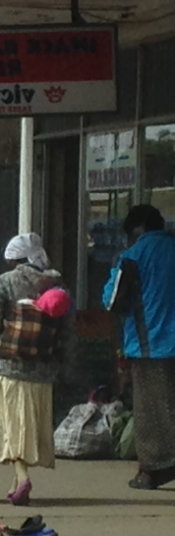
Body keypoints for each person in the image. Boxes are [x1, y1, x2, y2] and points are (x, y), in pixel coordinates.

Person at [0, 233, 74, 506]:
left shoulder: (3, 284)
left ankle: (21, 475)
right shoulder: (57, 285)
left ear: (16, 260)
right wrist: (64, 369)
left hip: (9, 368)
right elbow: (66, 333)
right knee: (29, 427)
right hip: (43, 373)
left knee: (9, 426)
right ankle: (17, 483)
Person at [103, 204, 175, 490]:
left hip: (151, 346)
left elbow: (113, 302)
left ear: (136, 231)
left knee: (150, 411)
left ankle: (152, 469)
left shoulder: (132, 257)